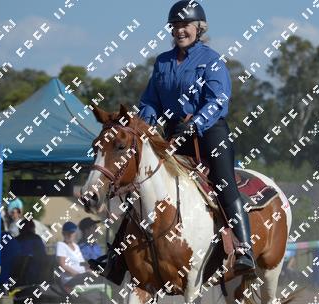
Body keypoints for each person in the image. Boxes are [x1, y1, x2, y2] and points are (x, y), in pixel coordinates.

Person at [100, 1, 255, 285]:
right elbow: (150, 101)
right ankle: (116, 257)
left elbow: (218, 100)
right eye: (175, 26)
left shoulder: (212, 60)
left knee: (223, 182)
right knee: (143, 185)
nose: (180, 31)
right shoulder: (162, 62)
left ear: (199, 28)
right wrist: (144, 125)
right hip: (173, 134)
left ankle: (245, 249)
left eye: (186, 25)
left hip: (210, 132)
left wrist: (195, 123)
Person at [56, 221, 95, 291]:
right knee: (96, 278)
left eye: (72, 232)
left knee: (102, 276)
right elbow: (62, 265)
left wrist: (91, 269)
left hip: (82, 276)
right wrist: (78, 274)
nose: (70, 235)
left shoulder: (76, 246)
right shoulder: (61, 245)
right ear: (63, 233)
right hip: (70, 279)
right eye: (68, 233)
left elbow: (82, 263)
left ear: (75, 233)